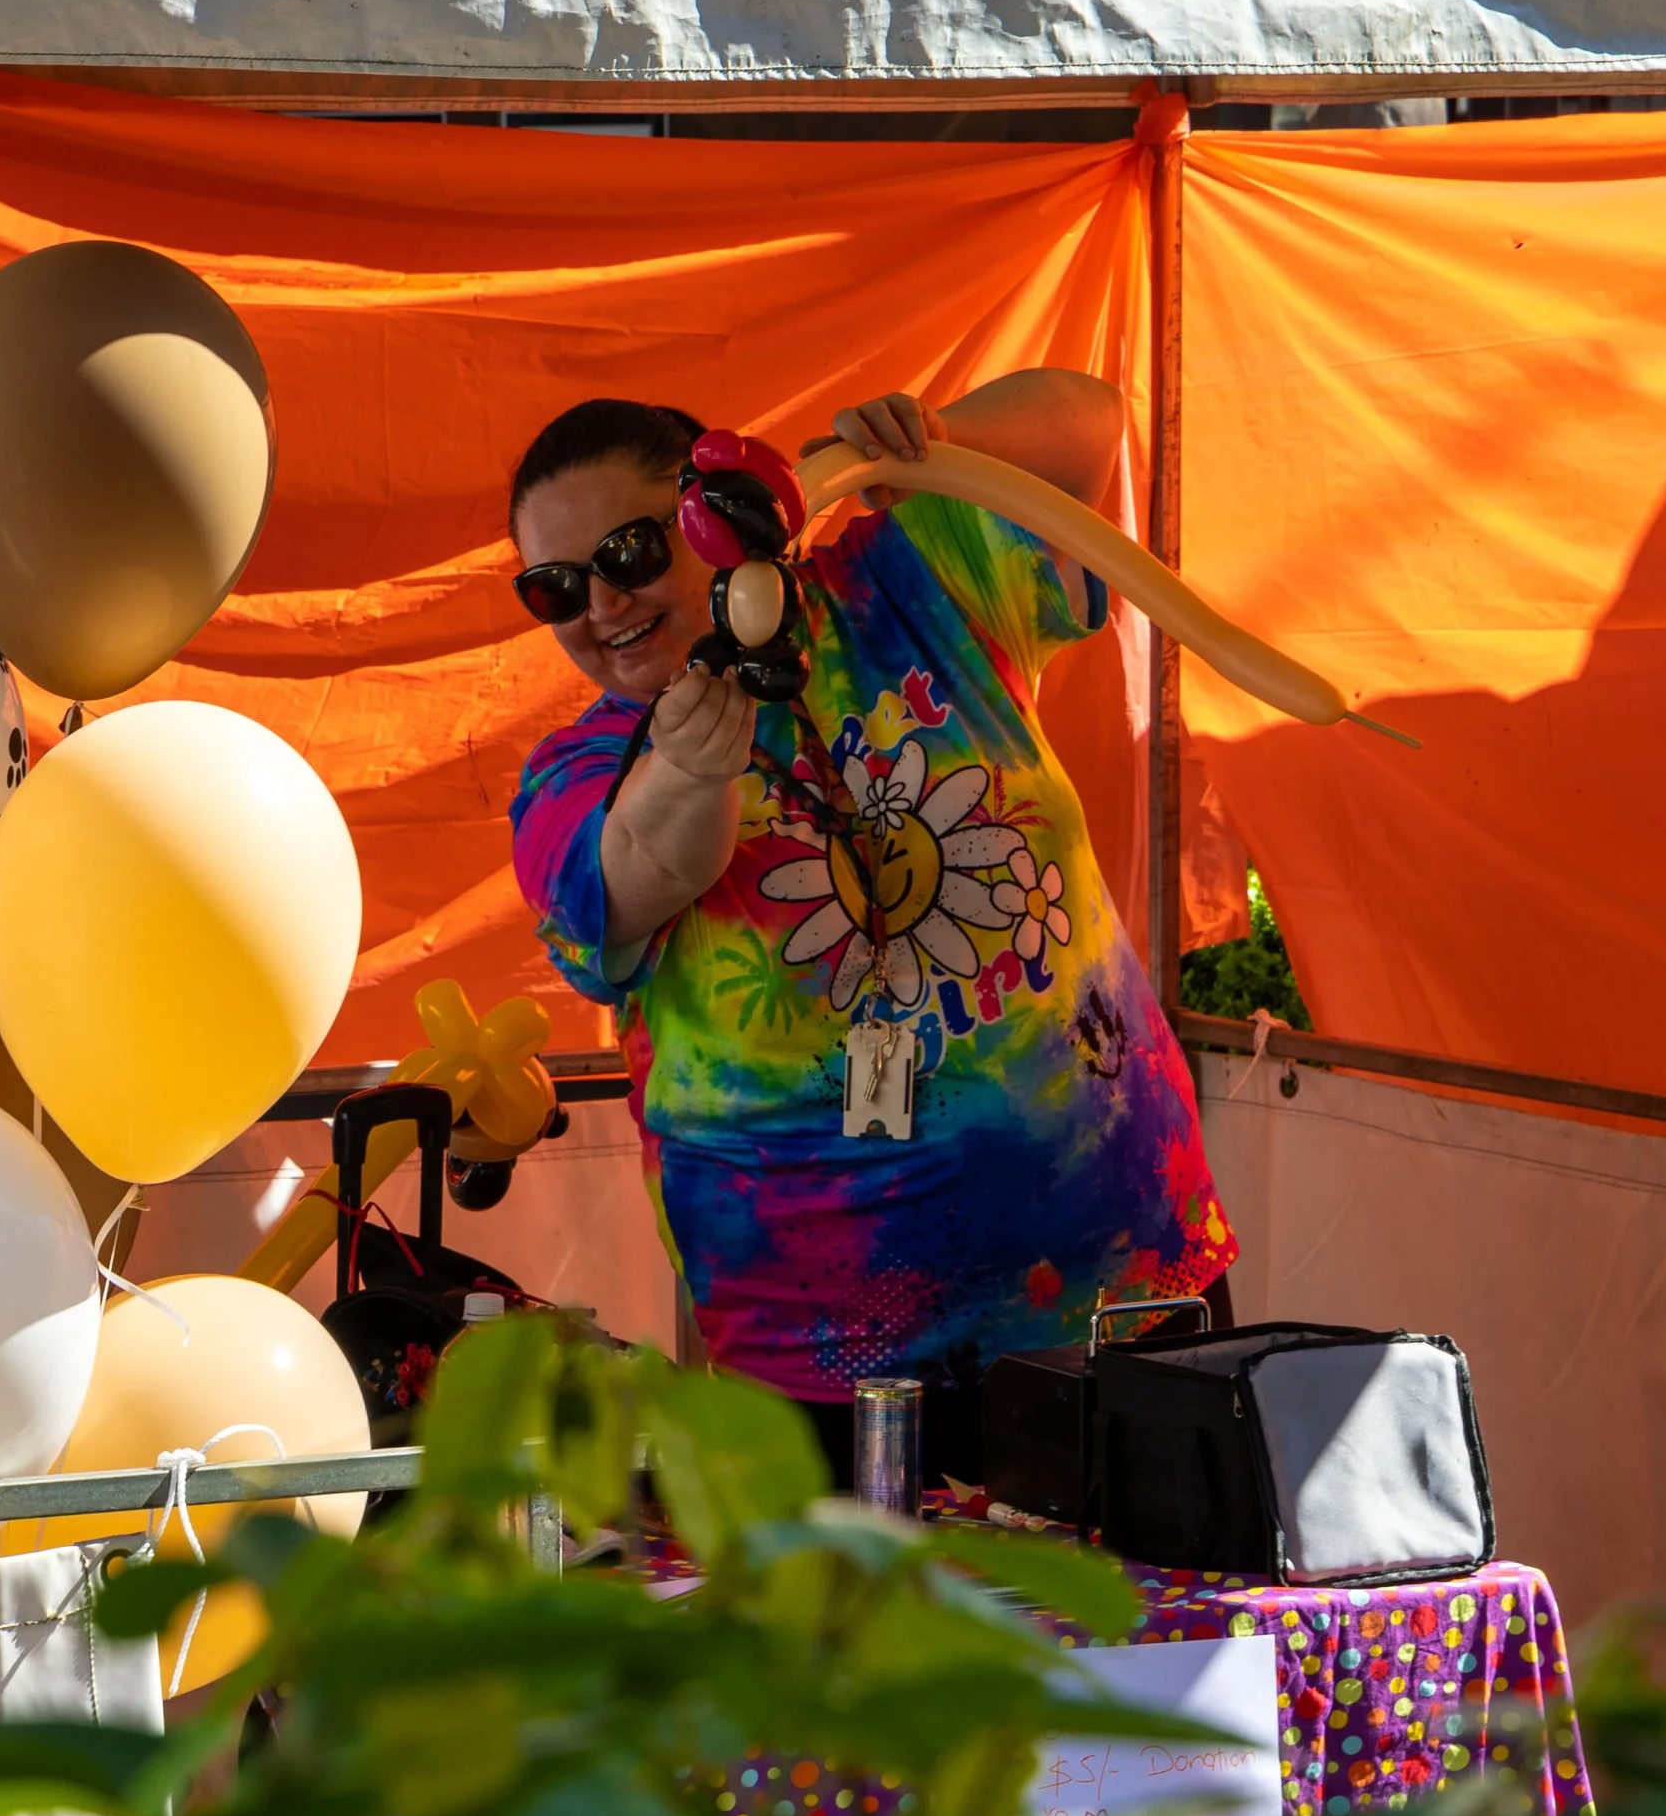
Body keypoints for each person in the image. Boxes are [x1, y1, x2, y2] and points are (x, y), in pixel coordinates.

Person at [507, 377, 1236, 1490]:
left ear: (717, 505)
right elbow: (645, 871)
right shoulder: (580, 767)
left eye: (631, 552)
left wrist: (932, 440)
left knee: (1170, 1650)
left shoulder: (907, 582)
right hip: (828, 1365)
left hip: (1125, 1282)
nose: (599, 604)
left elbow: (1087, 425)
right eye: (554, 587)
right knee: (886, 1666)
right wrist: (696, 764)